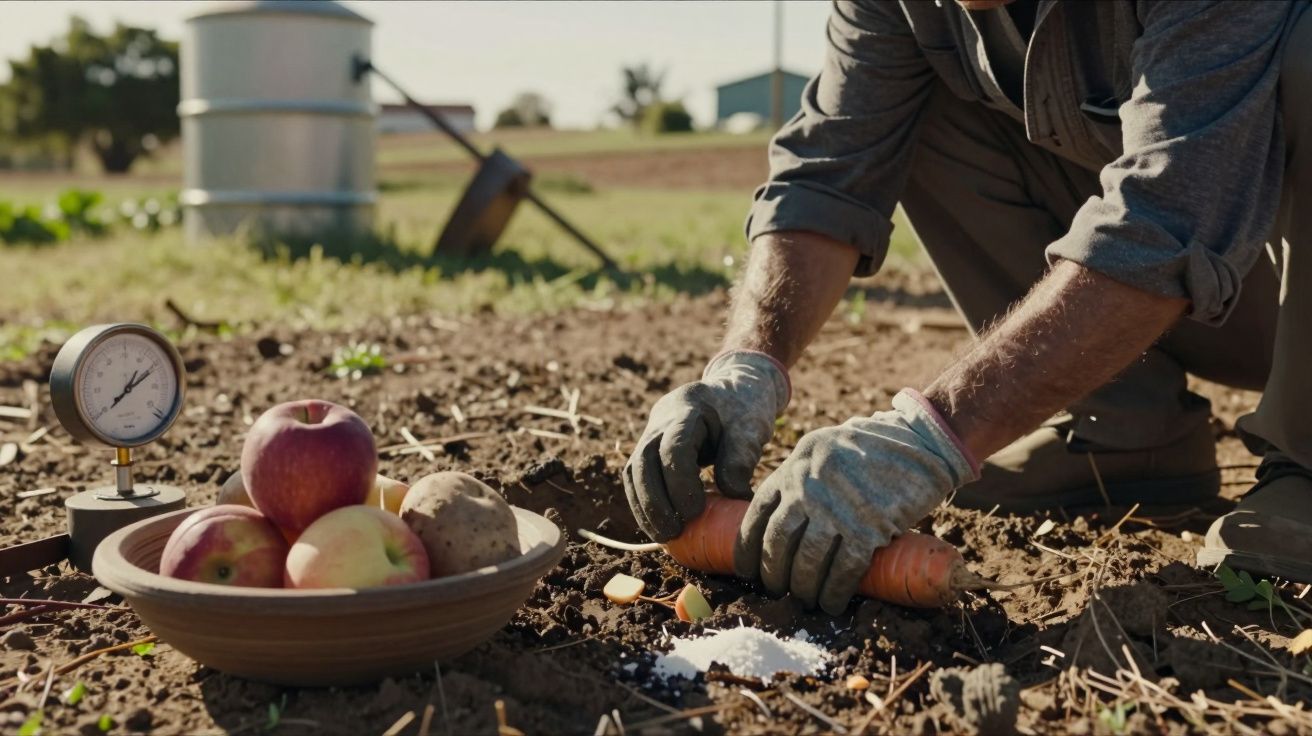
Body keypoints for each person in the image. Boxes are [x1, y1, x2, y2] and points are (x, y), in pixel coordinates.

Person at [624, 0, 1312, 616]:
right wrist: (748, 364)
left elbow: (1172, 211)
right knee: (915, 97)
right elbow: (830, 169)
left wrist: (938, 431)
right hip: (1206, 295)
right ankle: (1129, 432)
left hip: (1283, 289)